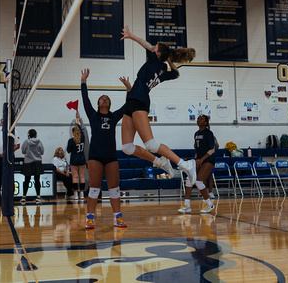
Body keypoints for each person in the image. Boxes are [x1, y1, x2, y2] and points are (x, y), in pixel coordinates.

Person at [119, 26, 197, 184]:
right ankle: (160, 162)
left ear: (158, 53)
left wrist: (132, 35)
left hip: (139, 100)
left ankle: (184, 164)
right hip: (132, 99)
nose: (152, 48)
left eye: (155, 48)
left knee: (151, 143)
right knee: (127, 147)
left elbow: (146, 44)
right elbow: (176, 73)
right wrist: (169, 61)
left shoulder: (156, 61)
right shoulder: (161, 67)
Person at [81, 68, 131, 229]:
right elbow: (85, 99)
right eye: (101, 99)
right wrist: (83, 81)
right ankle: (89, 218)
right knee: (94, 188)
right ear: (98, 103)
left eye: (106, 99)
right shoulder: (93, 115)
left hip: (111, 157)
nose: (104, 100)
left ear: (109, 104)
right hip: (95, 156)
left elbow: (127, 106)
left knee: (114, 189)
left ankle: (118, 218)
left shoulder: (114, 116)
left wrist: (128, 89)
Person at [178, 114, 216, 214]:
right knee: (189, 179)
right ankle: (187, 205)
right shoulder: (196, 134)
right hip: (199, 160)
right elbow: (197, 149)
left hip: (208, 160)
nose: (199, 120)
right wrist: (195, 160)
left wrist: (202, 159)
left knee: (199, 181)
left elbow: (212, 149)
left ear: (205, 122)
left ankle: (209, 203)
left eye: (201, 119)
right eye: (198, 119)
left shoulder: (209, 133)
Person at [0, 118, 20, 207]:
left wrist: (7, 152)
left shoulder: (13, 131)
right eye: (1, 121)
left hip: (8, 157)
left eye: (4, 120)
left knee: (9, 179)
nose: (2, 122)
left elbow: (17, 145)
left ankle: (9, 200)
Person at [20, 129, 45, 203]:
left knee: (27, 180)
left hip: (28, 162)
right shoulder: (39, 142)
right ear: (36, 134)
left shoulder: (26, 142)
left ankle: (24, 196)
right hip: (37, 162)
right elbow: (42, 152)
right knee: (37, 180)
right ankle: (38, 196)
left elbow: (23, 151)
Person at [67, 114, 87, 199]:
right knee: (82, 176)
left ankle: (75, 194)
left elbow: (68, 150)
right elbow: (81, 129)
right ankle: (82, 193)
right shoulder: (83, 137)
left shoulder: (71, 140)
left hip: (74, 160)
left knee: (75, 177)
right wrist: (77, 119)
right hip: (82, 159)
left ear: (73, 132)